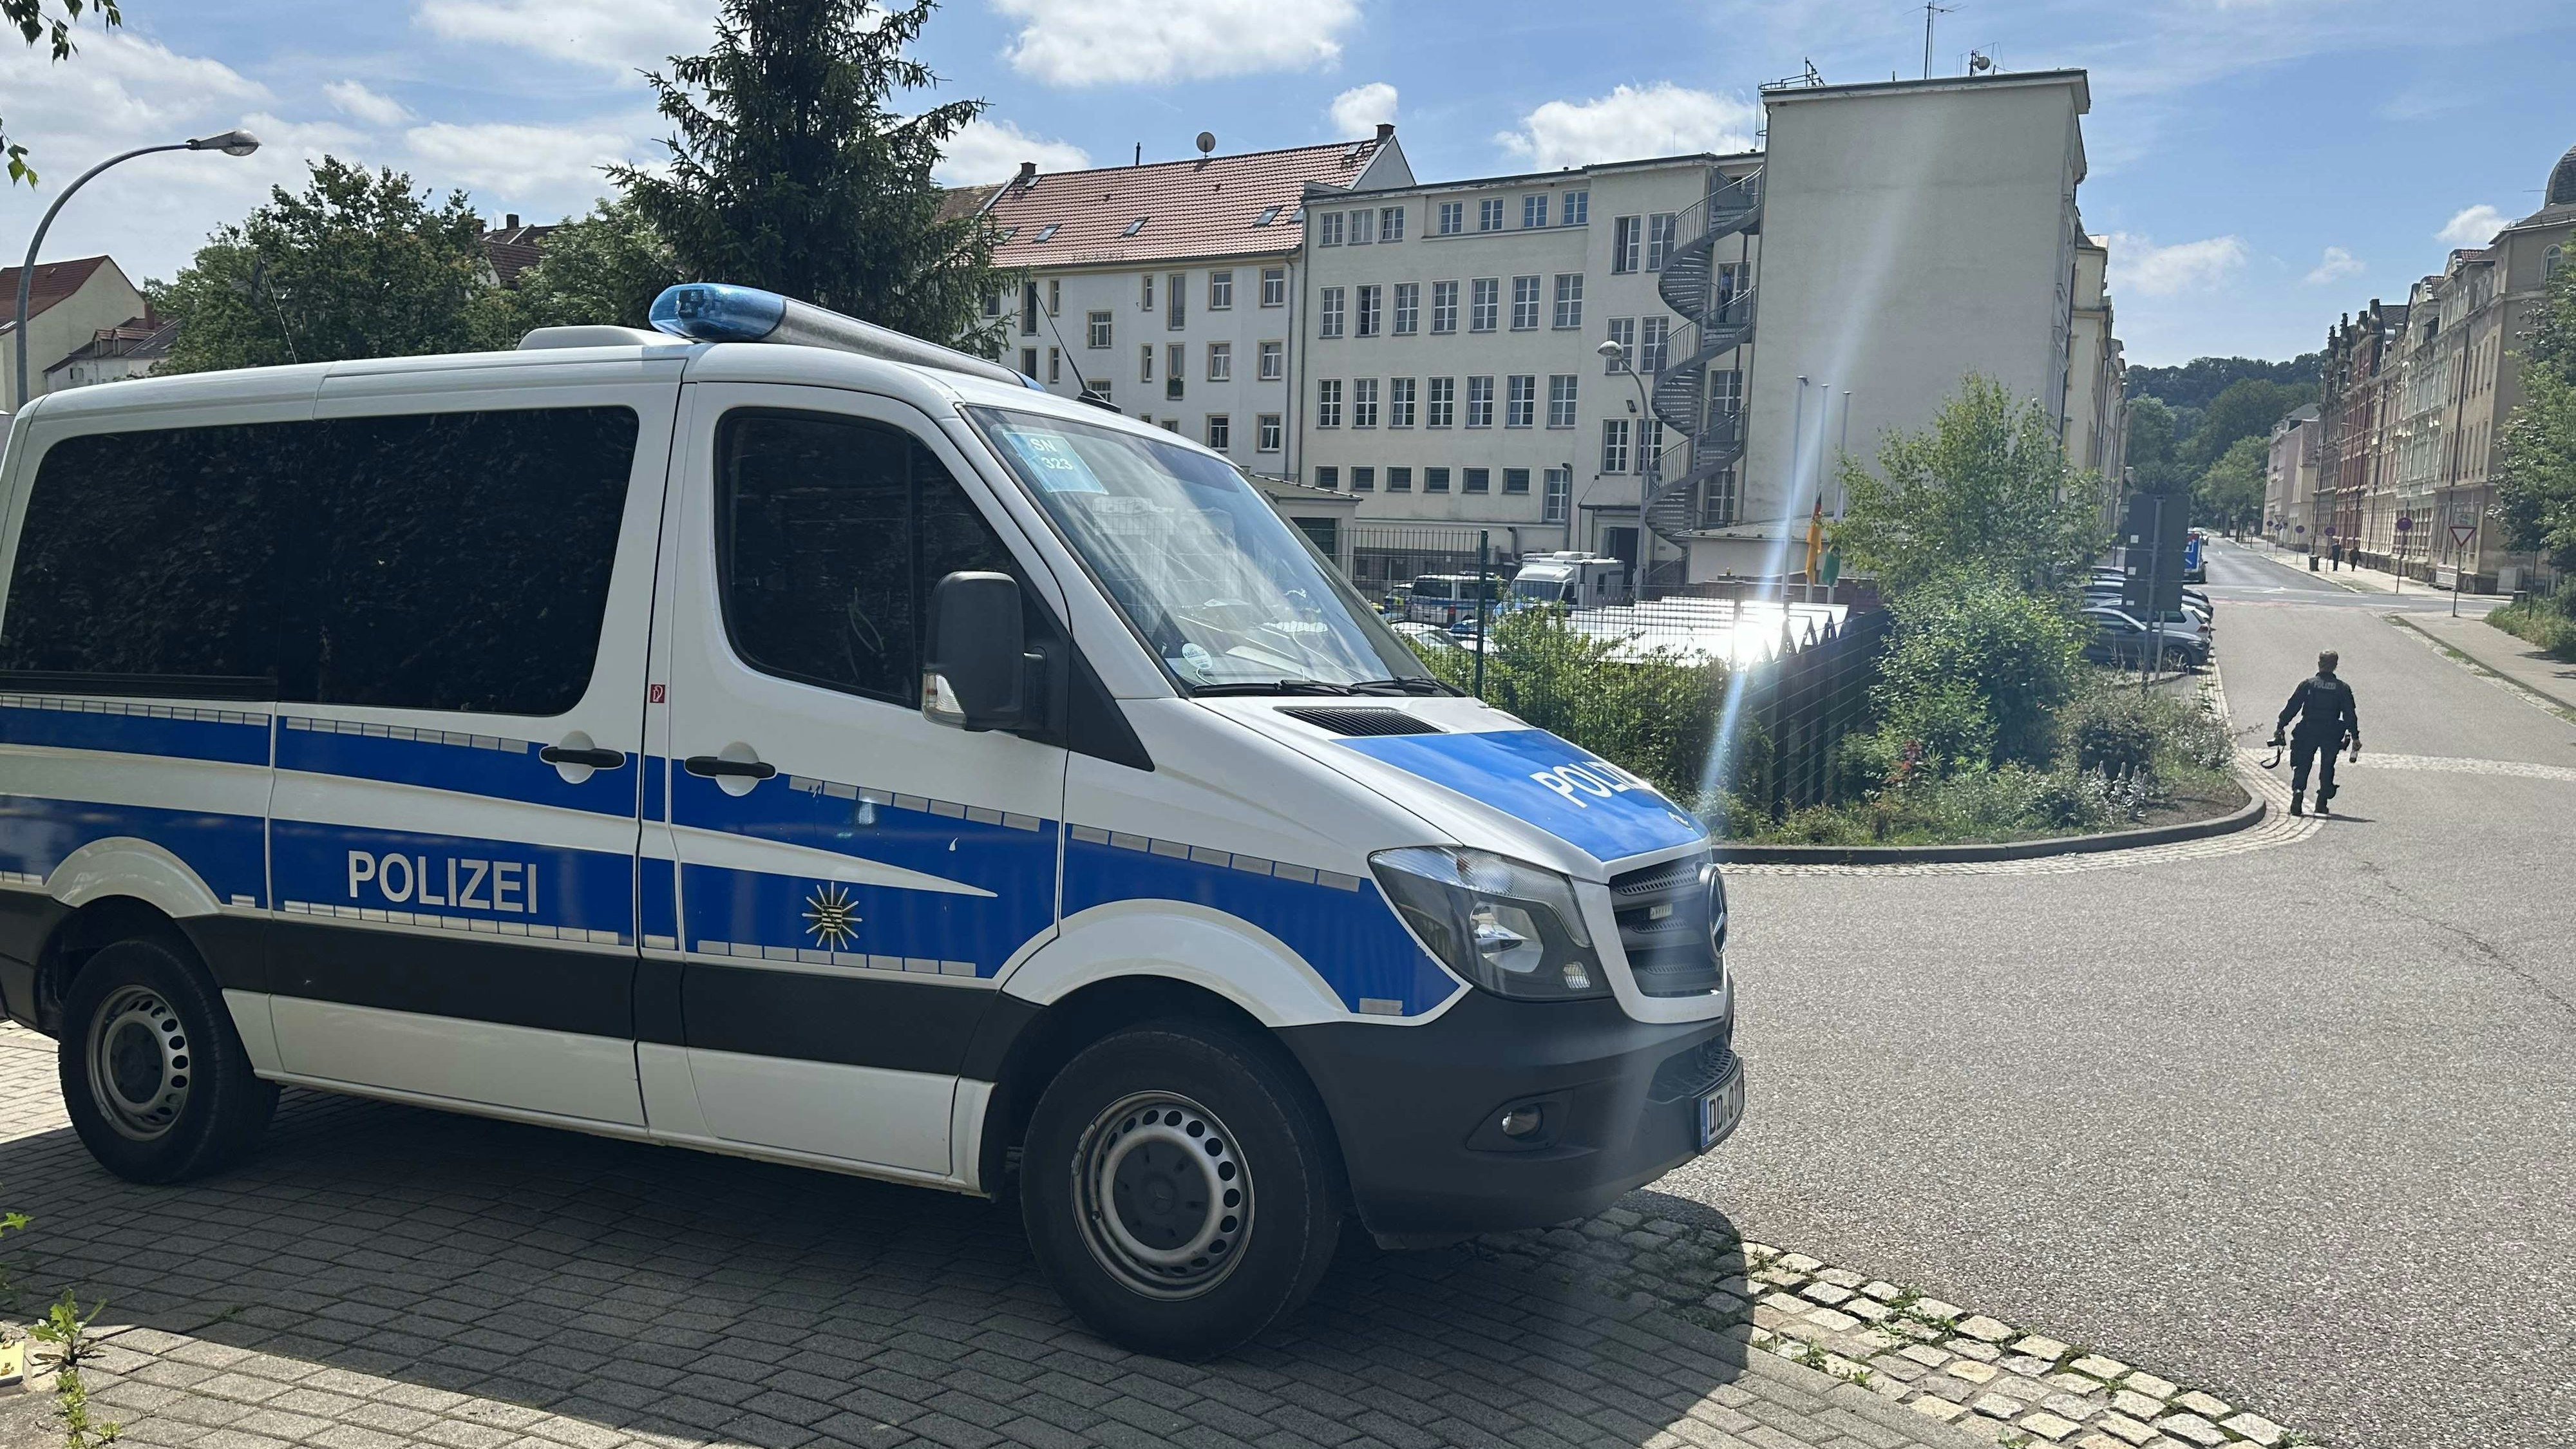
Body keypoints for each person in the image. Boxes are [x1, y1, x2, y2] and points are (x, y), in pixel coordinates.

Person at [2273, 650, 2362, 816]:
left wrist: (2281, 725)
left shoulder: (2308, 685)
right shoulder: (2342, 688)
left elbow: (2293, 706)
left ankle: (2298, 792)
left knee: (2302, 763)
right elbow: (2350, 714)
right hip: (2331, 732)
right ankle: (2321, 801)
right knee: (2327, 765)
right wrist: (2355, 736)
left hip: (2308, 729)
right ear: (2335, 665)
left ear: (2319, 664)